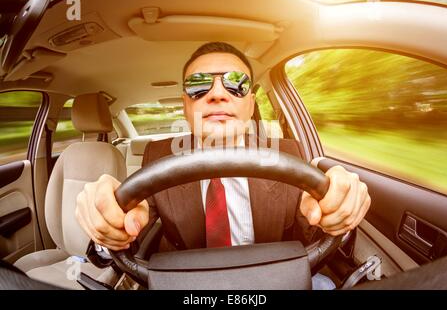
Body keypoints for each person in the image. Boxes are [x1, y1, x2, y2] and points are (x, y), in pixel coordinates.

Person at [75, 42, 371, 289]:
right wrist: (109, 224)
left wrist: (336, 206)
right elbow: (134, 220)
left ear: (252, 103)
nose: (218, 94)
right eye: (198, 85)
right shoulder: (159, 155)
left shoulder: (288, 153)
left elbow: (313, 221)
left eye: (236, 84)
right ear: (185, 105)